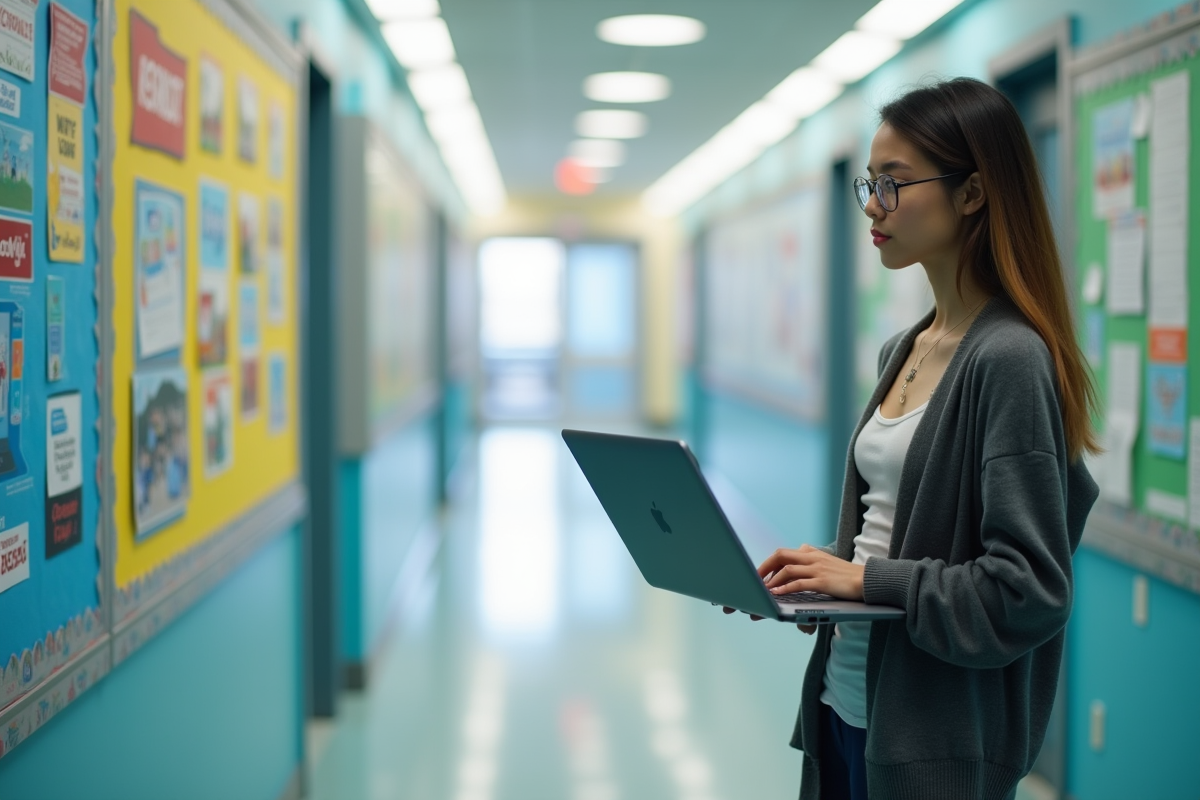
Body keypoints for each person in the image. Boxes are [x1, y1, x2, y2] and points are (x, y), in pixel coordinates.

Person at [741, 78, 1100, 800]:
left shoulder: (1009, 359)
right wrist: (818, 579)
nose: (873, 206)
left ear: (972, 193)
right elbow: (901, 537)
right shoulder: (904, 348)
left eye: (895, 184)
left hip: (930, 746)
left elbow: (1027, 590)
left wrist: (863, 580)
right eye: (870, 184)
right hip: (842, 707)